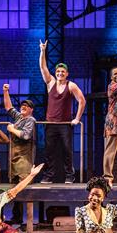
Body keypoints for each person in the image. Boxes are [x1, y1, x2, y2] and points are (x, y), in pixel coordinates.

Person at [39, 40, 86, 183]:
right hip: (50, 123)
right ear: (56, 73)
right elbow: (43, 67)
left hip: (65, 124)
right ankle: (48, 176)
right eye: (58, 71)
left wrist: (77, 118)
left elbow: (82, 101)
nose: (60, 73)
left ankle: (69, 176)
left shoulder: (71, 85)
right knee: (49, 151)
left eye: (63, 72)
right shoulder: (51, 83)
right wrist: (42, 51)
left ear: (67, 74)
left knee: (67, 150)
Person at [3, 83, 35, 223]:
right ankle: (17, 218)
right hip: (15, 158)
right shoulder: (19, 118)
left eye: (26, 106)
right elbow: (8, 107)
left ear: (31, 110)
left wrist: (12, 130)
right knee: (14, 189)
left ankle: (28, 221)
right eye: (22, 105)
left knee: (24, 189)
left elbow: (26, 135)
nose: (23, 107)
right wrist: (5, 91)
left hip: (24, 159)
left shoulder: (30, 120)